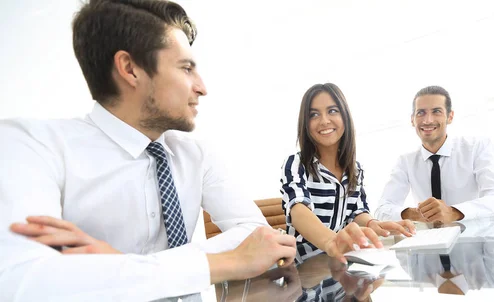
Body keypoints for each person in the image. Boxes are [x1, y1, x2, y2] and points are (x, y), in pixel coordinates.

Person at [0, 0, 296, 301]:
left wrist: (120, 268)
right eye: (186, 68)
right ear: (130, 70)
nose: (202, 87)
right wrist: (222, 262)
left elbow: (259, 235)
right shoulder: (30, 145)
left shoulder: (197, 155)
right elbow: (21, 283)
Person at [280, 83, 416, 264]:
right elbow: (298, 211)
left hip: (339, 263)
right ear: (305, 123)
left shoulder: (355, 169)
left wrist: (374, 225)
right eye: (313, 114)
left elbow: (357, 211)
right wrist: (332, 241)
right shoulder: (296, 164)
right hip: (302, 267)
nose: (324, 120)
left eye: (332, 111)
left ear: (345, 116)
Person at [375, 85, 494, 223]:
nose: (428, 120)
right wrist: (413, 214)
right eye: (421, 113)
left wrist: (454, 212)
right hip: (429, 242)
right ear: (412, 119)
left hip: (474, 240)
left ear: (450, 116)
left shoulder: (476, 147)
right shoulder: (405, 161)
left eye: (436, 111)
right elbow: (382, 210)